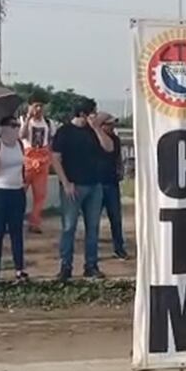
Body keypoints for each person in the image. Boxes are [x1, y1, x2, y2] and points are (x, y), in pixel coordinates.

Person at [50, 98, 114, 280]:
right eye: (93, 112)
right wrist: (65, 182)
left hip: (94, 185)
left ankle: (91, 265)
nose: (96, 115)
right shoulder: (65, 132)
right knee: (69, 227)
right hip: (73, 185)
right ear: (84, 114)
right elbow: (56, 158)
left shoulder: (94, 131)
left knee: (92, 228)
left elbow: (109, 147)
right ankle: (65, 266)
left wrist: (96, 128)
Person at [0, 116, 29, 284]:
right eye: (13, 125)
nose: (16, 128)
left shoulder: (19, 145)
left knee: (17, 232)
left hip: (16, 191)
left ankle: (20, 269)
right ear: (3, 128)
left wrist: (23, 183)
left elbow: (22, 166)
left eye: (17, 125)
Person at [20, 95, 55, 234]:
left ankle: (35, 222)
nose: (39, 109)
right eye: (36, 106)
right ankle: (16, 218)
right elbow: (21, 136)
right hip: (27, 160)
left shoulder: (48, 122)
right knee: (19, 192)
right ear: (29, 107)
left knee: (40, 194)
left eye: (41, 106)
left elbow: (51, 140)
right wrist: (28, 119)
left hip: (42, 159)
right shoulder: (23, 120)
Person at [96, 112, 128, 260]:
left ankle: (119, 247)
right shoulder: (94, 139)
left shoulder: (115, 139)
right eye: (109, 124)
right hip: (96, 182)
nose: (112, 126)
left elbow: (118, 156)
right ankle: (93, 251)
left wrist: (120, 169)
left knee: (115, 218)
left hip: (111, 182)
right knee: (93, 219)